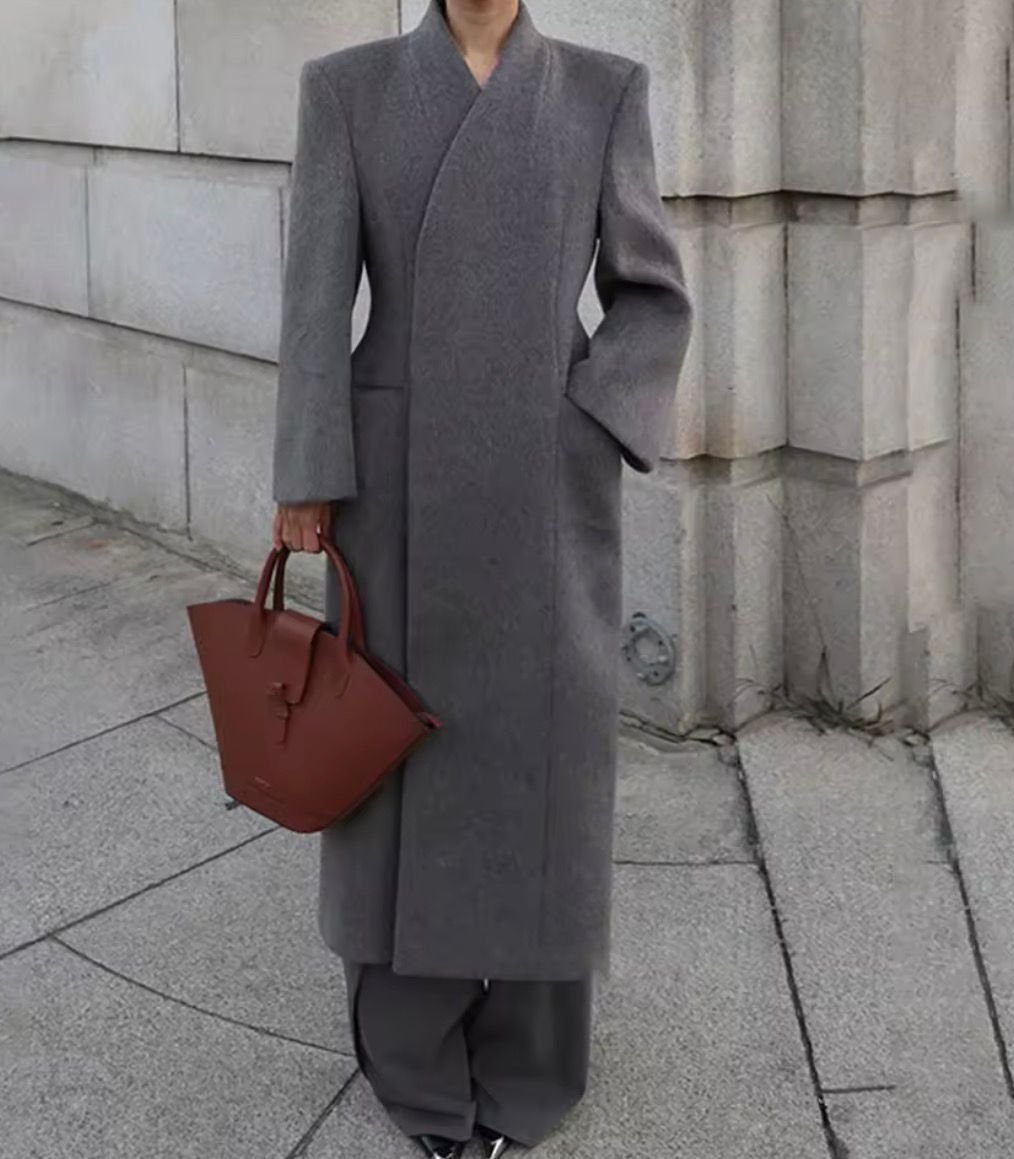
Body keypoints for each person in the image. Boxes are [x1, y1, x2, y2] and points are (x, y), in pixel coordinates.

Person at [271, 1, 693, 1155]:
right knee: (392, 750)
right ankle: (409, 1050)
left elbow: (653, 296)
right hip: (396, 491)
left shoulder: (603, 91)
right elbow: (315, 302)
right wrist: (307, 471)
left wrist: (589, 418)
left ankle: (532, 1057)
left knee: (545, 762)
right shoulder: (346, 90)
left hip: (546, 485)